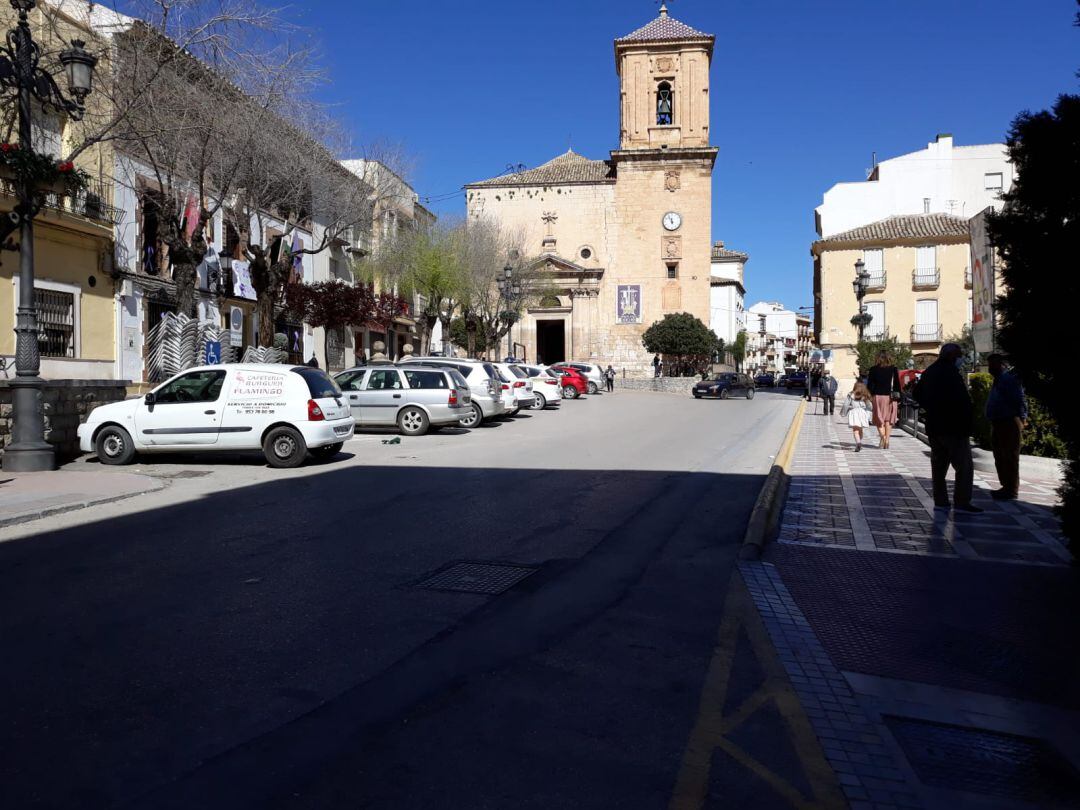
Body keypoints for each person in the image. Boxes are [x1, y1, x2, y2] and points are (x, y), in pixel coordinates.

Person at [914, 343, 981, 512]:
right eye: (959, 355)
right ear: (951, 356)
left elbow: (916, 393)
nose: (960, 359)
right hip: (954, 427)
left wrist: (929, 407)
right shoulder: (951, 373)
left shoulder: (930, 372)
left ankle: (941, 500)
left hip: (935, 425)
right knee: (964, 466)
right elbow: (961, 401)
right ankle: (962, 501)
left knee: (938, 467)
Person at [986, 353, 1028, 500]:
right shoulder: (998, 379)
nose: (990, 367)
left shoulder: (1008, 379)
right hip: (998, 421)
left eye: (993, 364)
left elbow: (1019, 398)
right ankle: (1005, 486)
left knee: (1009, 456)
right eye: (989, 364)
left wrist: (1022, 418)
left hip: (1009, 421)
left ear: (1002, 364)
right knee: (999, 455)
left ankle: (1011, 490)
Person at [866, 351, 902, 449]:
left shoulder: (873, 369)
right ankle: (887, 441)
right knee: (888, 420)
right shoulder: (893, 369)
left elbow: (870, 385)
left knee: (878, 419)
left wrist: (870, 395)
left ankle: (883, 436)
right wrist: (899, 398)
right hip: (891, 397)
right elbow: (897, 385)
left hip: (878, 397)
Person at [846, 382, 873, 451]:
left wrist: (844, 412)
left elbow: (846, 404)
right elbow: (869, 406)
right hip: (862, 413)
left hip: (854, 413)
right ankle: (859, 442)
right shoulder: (865, 395)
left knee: (855, 430)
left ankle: (858, 442)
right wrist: (869, 413)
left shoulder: (850, 395)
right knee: (860, 430)